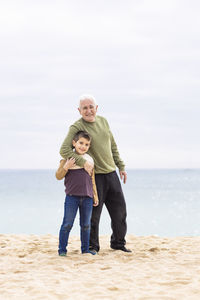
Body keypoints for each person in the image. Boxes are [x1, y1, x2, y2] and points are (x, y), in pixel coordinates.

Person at [60, 94, 131, 253]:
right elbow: (64, 150)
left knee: (120, 212)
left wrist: (121, 166)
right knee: (94, 216)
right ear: (79, 110)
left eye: (91, 106)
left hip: (111, 173)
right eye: (84, 108)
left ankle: (118, 244)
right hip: (93, 176)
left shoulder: (104, 121)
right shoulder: (76, 127)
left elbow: (112, 146)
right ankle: (92, 247)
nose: (88, 110)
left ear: (96, 108)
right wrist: (82, 162)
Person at [56, 130, 99, 256]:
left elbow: (92, 180)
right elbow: (58, 176)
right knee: (67, 224)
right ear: (74, 143)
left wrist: (95, 195)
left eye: (86, 144)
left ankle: (85, 250)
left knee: (86, 225)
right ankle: (62, 250)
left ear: (89, 146)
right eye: (81, 143)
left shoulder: (89, 160)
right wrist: (67, 166)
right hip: (72, 198)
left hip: (87, 198)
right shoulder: (66, 159)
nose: (83, 146)